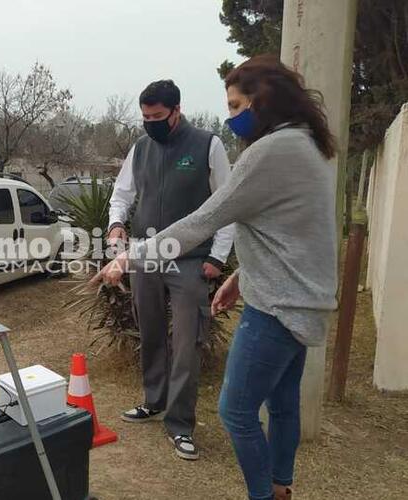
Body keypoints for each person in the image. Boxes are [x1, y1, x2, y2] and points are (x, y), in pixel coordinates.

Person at [93, 55, 338, 500]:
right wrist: (242, 277)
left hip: (268, 301)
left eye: (235, 105)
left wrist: (128, 258)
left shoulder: (261, 149)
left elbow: (206, 219)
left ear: (262, 101)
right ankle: (281, 486)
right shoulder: (304, 144)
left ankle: (255, 486)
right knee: (281, 404)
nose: (231, 116)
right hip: (296, 296)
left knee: (236, 409)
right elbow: (292, 234)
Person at [107, 79, 234, 461]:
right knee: (150, 332)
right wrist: (116, 223)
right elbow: (122, 193)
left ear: (176, 111)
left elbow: (226, 204)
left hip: (191, 261)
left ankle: (180, 425)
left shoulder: (207, 145)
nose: (150, 123)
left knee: (186, 344)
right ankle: (153, 400)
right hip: (145, 258)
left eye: (157, 117)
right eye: (145, 117)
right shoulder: (141, 147)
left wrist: (218, 257)